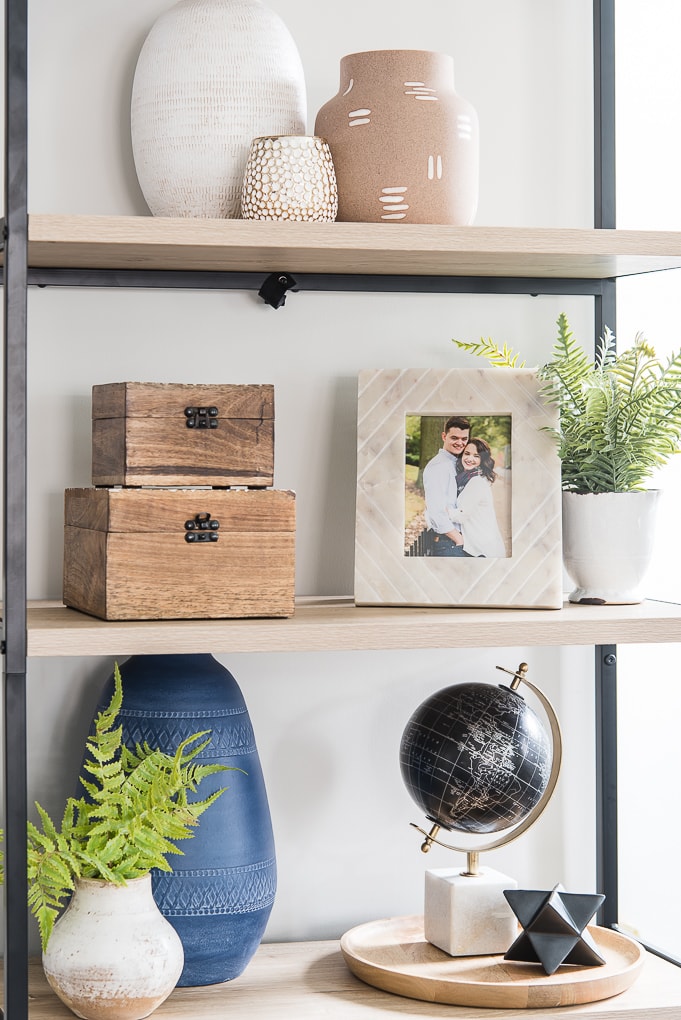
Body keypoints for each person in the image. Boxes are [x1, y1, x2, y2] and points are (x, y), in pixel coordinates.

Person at [446, 438, 506, 558]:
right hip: (480, 544)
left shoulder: (476, 482)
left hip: (482, 549)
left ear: (482, 460)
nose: (470, 459)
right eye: (467, 454)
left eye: (476, 456)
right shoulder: (469, 478)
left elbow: (461, 515)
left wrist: (444, 510)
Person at [422, 415, 470, 556]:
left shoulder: (454, 463)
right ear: (444, 436)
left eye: (464, 439)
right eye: (454, 438)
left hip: (454, 541)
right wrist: (459, 540)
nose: (460, 443)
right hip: (449, 543)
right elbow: (436, 511)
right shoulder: (438, 466)